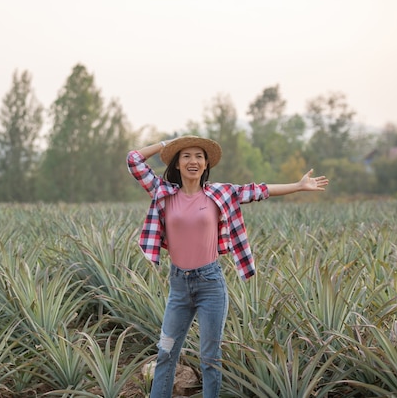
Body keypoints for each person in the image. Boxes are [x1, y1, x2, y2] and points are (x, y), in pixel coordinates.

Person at [126, 135, 329, 398]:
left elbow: (259, 190)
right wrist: (168, 145)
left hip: (210, 285)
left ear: (206, 164)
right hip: (178, 286)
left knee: (210, 357)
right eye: (186, 156)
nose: (193, 161)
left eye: (199, 156)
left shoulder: (219, 193)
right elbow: (134, 160)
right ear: (177, 164)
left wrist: (299, 186)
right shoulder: (163, 192)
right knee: (166, 352)